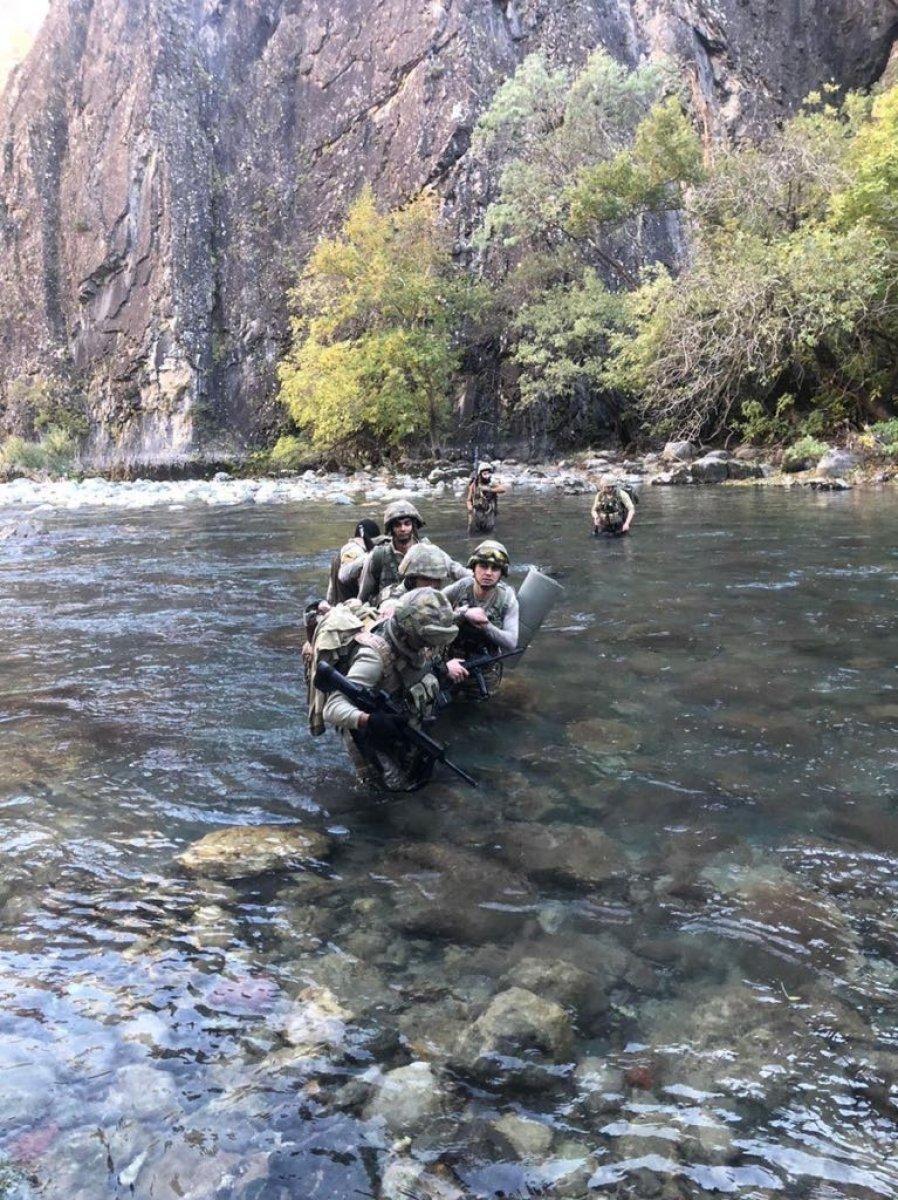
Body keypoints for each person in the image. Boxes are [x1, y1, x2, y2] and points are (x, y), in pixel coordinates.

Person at [320, 588, 469, 790]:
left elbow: (423, 665)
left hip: (404, 727)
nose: (431, 645)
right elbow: (333, 707)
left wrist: (443, 669)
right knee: (390, 792)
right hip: (369, 734)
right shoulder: (375, 657)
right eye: (428, 638)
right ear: (409, 631)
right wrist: (369, 720)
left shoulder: (419, 643)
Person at [358, 499, 466, 603]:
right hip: (389, 611)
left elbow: (457, 571)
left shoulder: (430, 551)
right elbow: (363, 596)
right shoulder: (378, 556)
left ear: (413, 526)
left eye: (407, 523)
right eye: (397, 525)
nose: (403, 529)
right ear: (391, 528)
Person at [442, 539, 519, 655]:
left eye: (495, 568)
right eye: (483, 566)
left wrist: (485, 625)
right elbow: (431, 610)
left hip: (486, 664)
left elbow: (511, 642)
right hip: (452, 659)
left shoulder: (507, 598)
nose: (488, 573)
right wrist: (462, 613)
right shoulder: (461, 587)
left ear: (501, 573)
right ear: (474, 568)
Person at [376, 542, 455, 613]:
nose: (432, 585)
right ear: (411, 580)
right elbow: (389, 606)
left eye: (437, 579)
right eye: (425, 579)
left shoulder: (441, 597)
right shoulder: (393, 596)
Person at [326, 518, 381, 604]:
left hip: (338, 606)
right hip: (350, 608)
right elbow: (344, 575)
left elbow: (330, 593)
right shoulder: (356, 551)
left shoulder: (341, 552)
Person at [465, 462, 506, 535]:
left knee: (489, 533)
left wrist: (489, 489)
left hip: (489, 513)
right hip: (476, 513)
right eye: (484, 474)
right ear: (480, 474)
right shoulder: (474, 485)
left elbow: (503, 489)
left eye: (488, 473)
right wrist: (470, 508)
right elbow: (468, 500)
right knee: (473, 534)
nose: (487, 476)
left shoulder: (492, 483)